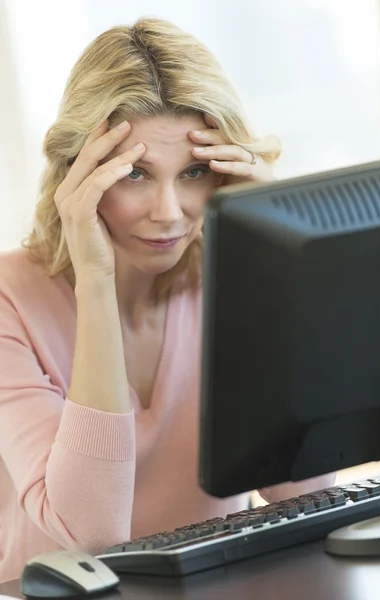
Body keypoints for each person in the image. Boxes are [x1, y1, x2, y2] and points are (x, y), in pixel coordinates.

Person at [0, 17, 334, 582]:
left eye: (195, 172)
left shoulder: (225, 280)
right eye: (134, 174)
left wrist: (272, 259)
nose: (170, 212)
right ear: (78, 173)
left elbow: (300, 493)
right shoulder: (11, 300)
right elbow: (93, 537)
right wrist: (97, 282)